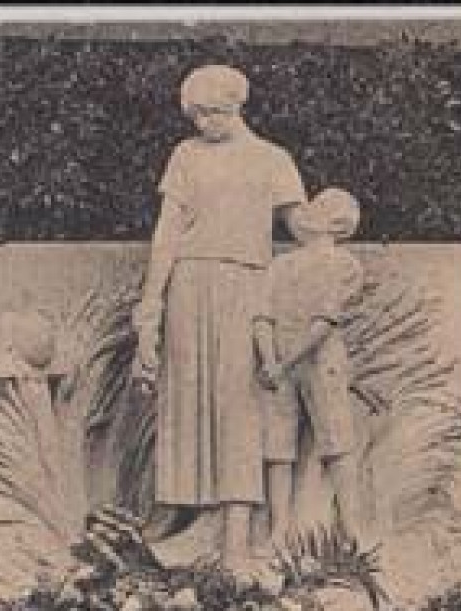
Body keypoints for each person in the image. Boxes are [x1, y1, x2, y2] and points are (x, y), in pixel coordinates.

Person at [133, 64, 306, 572]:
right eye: (196, 114)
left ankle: (235, 529)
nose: (203, 123)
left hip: (245, 282)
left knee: (238, 401)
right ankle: (179, 508)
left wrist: (335, 231)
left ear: (236, 103)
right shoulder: (185, 156)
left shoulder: (273, 161)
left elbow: (302, 225)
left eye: (211, 111)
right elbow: (167, 231)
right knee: (185, 397)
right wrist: (152, 302)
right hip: (189, 281)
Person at [253, 188, 367, 549]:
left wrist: (281, 364)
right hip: (279, 365)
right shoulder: (280, 265)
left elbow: (324, 323)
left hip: (321, 361)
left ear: (337, 222)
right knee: (277, 445)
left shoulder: (345, 266)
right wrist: (269, 360)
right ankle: (279, 530)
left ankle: (351, 529)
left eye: (319, 205)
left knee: (336, 439)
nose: (307, 210)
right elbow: (262, 315)